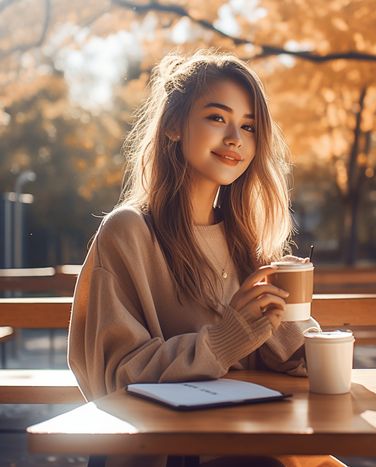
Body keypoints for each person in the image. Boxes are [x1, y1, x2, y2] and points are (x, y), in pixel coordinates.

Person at [68, 49, 320, 467]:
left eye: (249, 126)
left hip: (253, 438)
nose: (235, 138)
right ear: (172, 126)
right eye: (217, 118)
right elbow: (114, 378)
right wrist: (223, 341)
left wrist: (300, 339)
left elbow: (275, 359)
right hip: (167, 454)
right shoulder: (128, 231)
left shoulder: (246, 239)